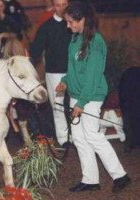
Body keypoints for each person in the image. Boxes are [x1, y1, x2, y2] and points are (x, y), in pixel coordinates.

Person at [56, 1, 131, 193]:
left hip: (90, 97)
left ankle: (120, 175)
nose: (68, 25)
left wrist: (81, 103)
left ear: (83, 20)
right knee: (79, 138)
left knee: (92, 135)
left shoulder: (96, 42)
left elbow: (92, 78)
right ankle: (90, 179)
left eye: (71, 22)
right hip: (76, 95)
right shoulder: (74, 39)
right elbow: (73, 69)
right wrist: (65, 80)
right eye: (67, 22)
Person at [30, 0, 71, 147]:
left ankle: (76, 135)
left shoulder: (74, 24)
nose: (62, 8)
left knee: (75, 104)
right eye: (58, 5)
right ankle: (63, 139)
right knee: (58, 106)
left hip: (74, 72)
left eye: (65, 5)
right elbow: (35, 50)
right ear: (54, 7)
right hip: (55, 73)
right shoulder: (46, 27)